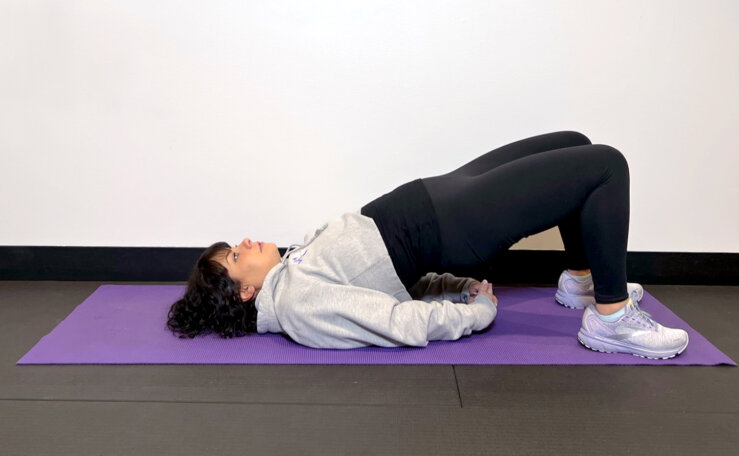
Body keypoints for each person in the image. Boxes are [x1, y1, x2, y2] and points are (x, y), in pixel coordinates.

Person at [167, 130, 689, 359]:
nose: (245, 243)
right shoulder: (298, 303)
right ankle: (612, 319)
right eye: (235, 257)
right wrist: (474, 313)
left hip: (435, 197)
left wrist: (454, 287)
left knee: (575, 143)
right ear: (243, 293)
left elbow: (387, 278)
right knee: (606, 165)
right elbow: (392, 321)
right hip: (450, 224)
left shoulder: (289, 270)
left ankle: (580, 283)